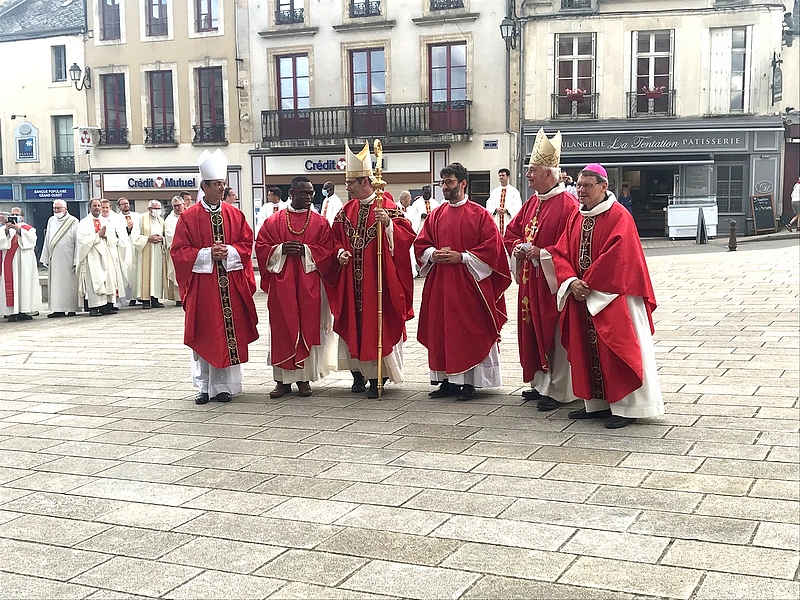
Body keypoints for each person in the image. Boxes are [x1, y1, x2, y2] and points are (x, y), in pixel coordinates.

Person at [549, 163, 665, 429]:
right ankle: (597, 403)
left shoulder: (619, 215)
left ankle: (628, 407)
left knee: (618, 349)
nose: (581, 191)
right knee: (587, 350)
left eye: (587, 186)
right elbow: (561, 251)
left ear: (604, 186)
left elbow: (619, 256)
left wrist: (585, 284)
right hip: (583, 296)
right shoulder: (576, 217)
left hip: (615, 297)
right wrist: (570, 281)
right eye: (578, 185)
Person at [415, 163, 511, 401]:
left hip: (470, 283)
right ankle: (447, 381)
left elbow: (493, 249)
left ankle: (471, 382)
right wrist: (431, 254)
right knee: (442, 329)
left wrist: (463, 257)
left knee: (469, 329)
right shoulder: (436, 214)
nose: (445, 187)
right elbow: (421, 243)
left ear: (463, 183)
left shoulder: (479, 214)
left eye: (449, 182)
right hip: (441, 283)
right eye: (443, 183)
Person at [327, 141, 416, 399]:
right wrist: (339, 252)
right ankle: (357, 373)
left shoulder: (387, 207)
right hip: (351, 281)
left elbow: (407, 235)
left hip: (377, 281)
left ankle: (378, 374)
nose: (346, 186)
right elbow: (334, 240)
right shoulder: (346, 212)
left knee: (376, 323)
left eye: (350, 182)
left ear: (366, 181)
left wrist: (388, 224)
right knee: (352, 323)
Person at [171, 149, 259, 405]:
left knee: (228, 333)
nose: (222, 188)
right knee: (205, 332)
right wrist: (208, 254)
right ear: (204, 186)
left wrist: (230, 251)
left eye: (223, 184)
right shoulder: (188, 218)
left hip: (230, 286)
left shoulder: (235, 215)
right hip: (203, 286)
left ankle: (225, 387)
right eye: (217, 184)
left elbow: (246, 242)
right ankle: (203, 387)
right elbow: (178, 251)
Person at [504, 128, 579, 411]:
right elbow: (511, 233)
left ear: (548, 173)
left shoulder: (568, 204)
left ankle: (559, 390)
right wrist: (520, 247)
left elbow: (570, 245)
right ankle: (540, 383)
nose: (527, 175)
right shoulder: (533, 202)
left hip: (552, 283)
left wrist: (542, 253)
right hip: (530, 281)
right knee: (533, 331)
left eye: (532, 170)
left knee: (555, 335)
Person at [255, 176, 337, 399]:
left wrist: (307, 251)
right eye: (303, 193)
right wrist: (280, 249)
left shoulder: (320, 222)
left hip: (309, 284)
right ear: (291, 194)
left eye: (311, 193)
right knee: (282, 329)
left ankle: (303, 379)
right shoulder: (274, 221)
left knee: (307, 326)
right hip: (282, 286)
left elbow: (329, 251)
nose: (309, 197)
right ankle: (281, 381)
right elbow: (261, 247)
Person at [77, 199, 122, 317]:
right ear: (89, 208)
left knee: (108, 280)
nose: (97, 208)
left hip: (106, 254)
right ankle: (94, 307)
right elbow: (81, 240)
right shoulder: (84, 222)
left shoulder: (106, 221)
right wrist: (98, 236)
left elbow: (114, 238)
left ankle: (107, 306)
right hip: (92, 255)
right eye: (95, 206)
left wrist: (106, 235)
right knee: (94, 280)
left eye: (99, 206)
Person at [0, 207, 41, 322]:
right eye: (12, 214)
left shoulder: (28, 229)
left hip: (25, 263)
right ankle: (12, 312)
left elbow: (32, 241)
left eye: (16, 214)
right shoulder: (3, 228)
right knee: (12, 285)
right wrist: (7, 231)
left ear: (22, 217)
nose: (14, 216)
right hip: (10, 262)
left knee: (24, 285)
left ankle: (24, 310)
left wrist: (19, 230)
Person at [40, 200, 80, 318]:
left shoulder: (73, 221)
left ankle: (71, 309)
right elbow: (47, 239)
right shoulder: (51, 220)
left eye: (59, 208)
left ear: (65, 209)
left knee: (69, 285)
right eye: (55, 208)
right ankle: (58, 310)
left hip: (68, 258)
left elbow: (77, 241)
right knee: (56, 285)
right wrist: (46, 256)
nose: (56, 211)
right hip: (55, 259)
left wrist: (76, 260)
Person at [132, 200, 168, 309]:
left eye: (158, 208)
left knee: (156, 275)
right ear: (149, 209)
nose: (157, 211)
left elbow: (165, 236)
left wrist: (162, 239)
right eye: (154, 208)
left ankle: (155, 299)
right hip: (145, 250)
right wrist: (148, 238)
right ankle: (145, 300)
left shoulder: (161, 220)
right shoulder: (141, 218)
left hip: (157, 252)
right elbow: (135, 236)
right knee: (145, 274)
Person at [115, 197, 140, 305]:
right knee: (127, 270)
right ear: (119, 206)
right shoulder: (116, 218)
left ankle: (138, 295)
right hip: (124, 248)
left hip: (136, 245)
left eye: (127, 203)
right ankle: (130, 297)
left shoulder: (137, 216)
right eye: (123, 204)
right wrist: (127, 229)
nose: (126, 205)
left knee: (137, 270)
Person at [485, 168, 523, 236]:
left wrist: (507, 210)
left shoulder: (514, 191)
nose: (501, 177)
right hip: (497, 219)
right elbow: (489, 204)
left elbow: (518, 206)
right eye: (499, 176)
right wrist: (496, 209)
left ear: (508, 177)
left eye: (503, 175)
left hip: (508, 219)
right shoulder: (494, 191)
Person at [163, 195, 185, 306]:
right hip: (177, 250)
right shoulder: (169, 220)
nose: (176, 208)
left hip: (189, 250)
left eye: (178, 205)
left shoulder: (190, 215)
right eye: (174, 206)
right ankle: (178, 298)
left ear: (183, 205)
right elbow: (170, 235)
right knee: (177, 273)